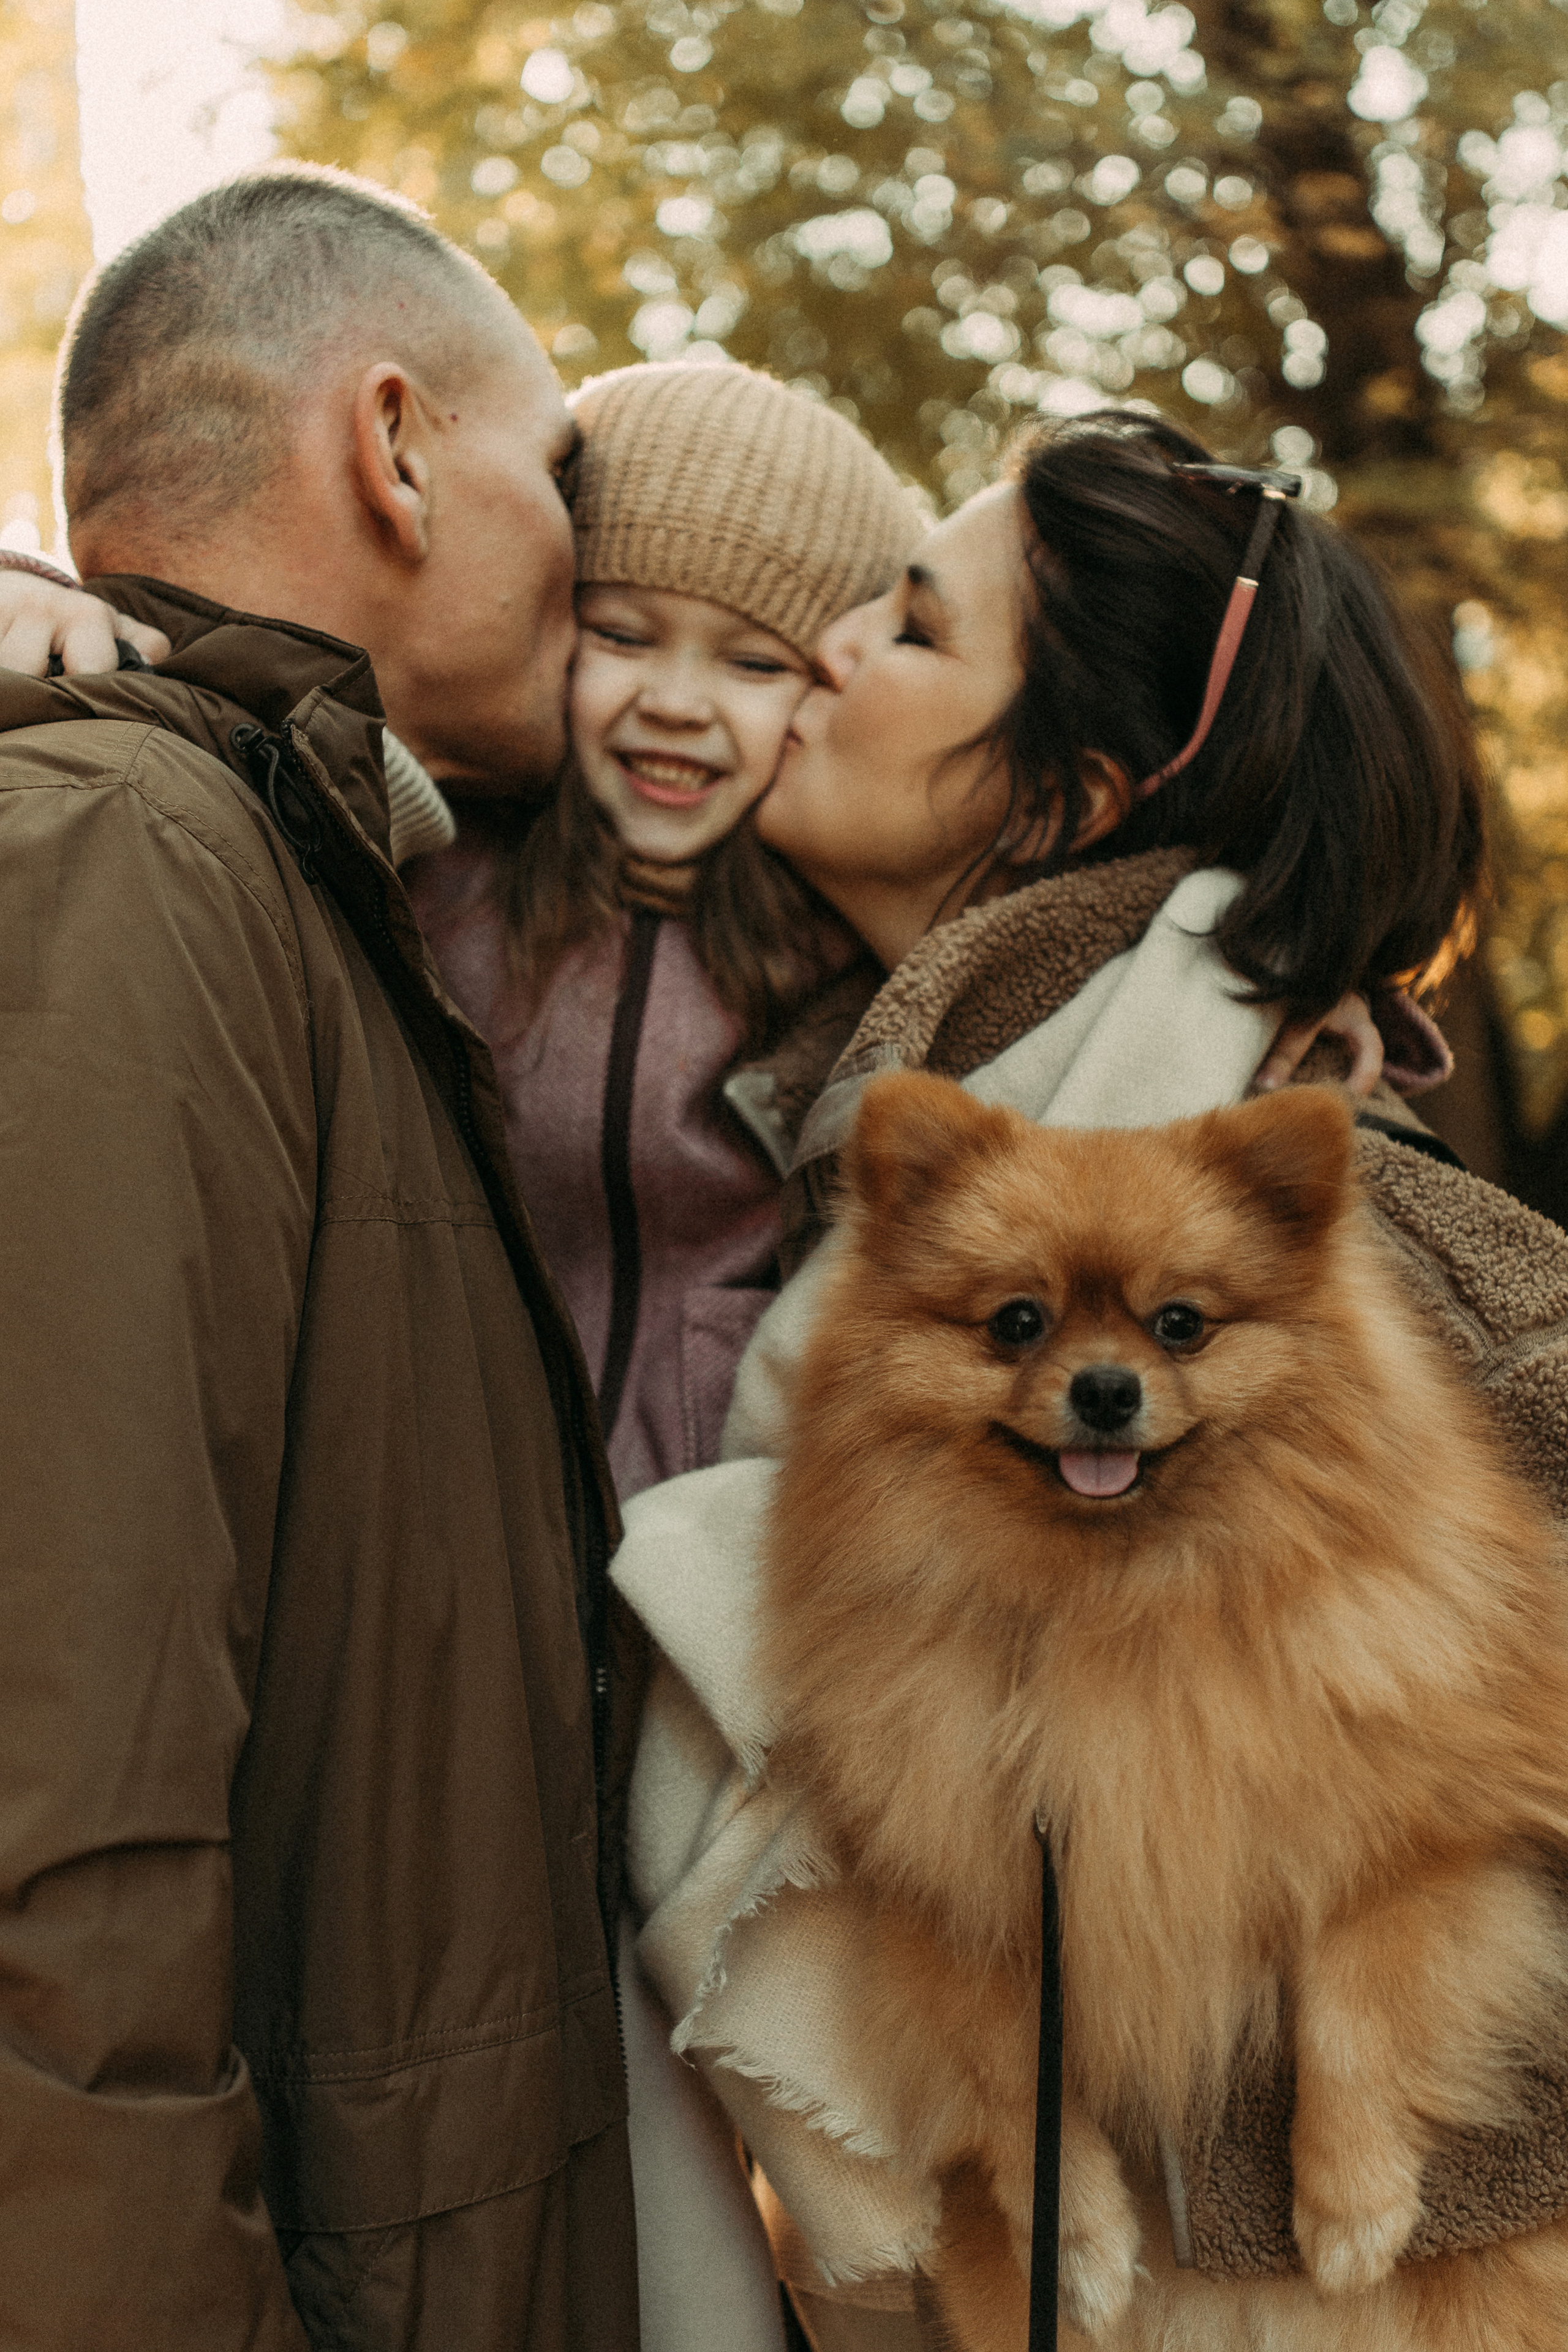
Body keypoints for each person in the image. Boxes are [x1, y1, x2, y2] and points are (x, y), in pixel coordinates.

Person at [601, 414, 1568, 2352]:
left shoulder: (1355, 1224)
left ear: (1060, 804)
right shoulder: (849, 1125)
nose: (835, 652)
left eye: (914, 627)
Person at [0, 165, 638, 2351]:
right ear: (388, 443)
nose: (596, 548)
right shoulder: (121, 858)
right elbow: (47, 1826)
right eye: (557, 470)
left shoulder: (306, 888)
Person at [405, 358, 922, 1500]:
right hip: (451, 1514)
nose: (679, 703)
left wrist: (1315, 981)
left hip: (713, 1547)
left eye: (752, 663)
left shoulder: (853, 933)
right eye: (625, 636)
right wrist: (47, 589)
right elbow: (240, 665)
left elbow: (1091, 917)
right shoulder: (434, 859)